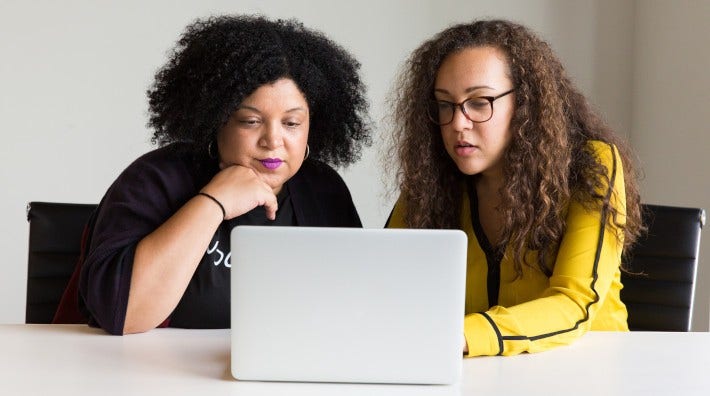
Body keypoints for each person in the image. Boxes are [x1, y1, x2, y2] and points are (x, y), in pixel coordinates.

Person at [56, 15, 371, 335]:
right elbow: (122, 316)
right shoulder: (155, 180)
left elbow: (362, 306)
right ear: (216, 120)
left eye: (291, 124)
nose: (273, 141)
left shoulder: (323, 190)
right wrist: (213, 202)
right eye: (250, 121)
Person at [385, 19, 643, 357]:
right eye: (445, 105)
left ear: (525, 104)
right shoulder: (433, 178)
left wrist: (461, 336)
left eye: (479, 102)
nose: (458, 123)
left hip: (589, 371)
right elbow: (385, 280)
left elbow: (574, 303)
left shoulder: (591, 166)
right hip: (475, 374)